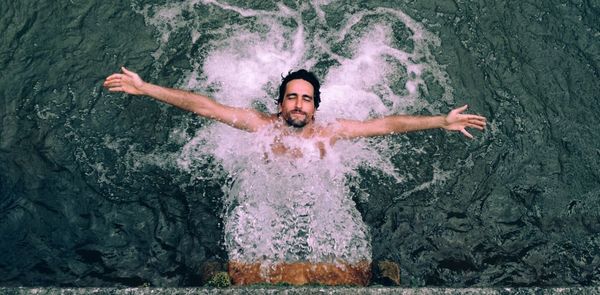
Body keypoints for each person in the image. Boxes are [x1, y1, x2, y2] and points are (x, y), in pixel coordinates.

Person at [103, 67, 486, 285]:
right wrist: (145, 88)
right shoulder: (260, 126)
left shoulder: (330, 132)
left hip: (318, 196)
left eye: (305, 98)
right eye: (291, 97)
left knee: (352, 271)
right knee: (247, 270)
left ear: (316, 107)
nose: (298, 104)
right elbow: (206, 107)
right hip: (268, 197)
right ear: (280, 103)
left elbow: (385, 124)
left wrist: (441, 121)